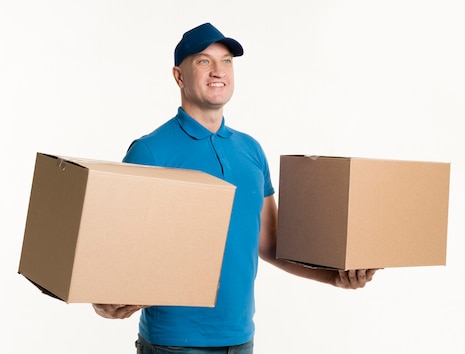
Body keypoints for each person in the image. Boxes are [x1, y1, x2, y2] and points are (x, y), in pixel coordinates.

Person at [92, 22, 377, 353]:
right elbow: (112, 251)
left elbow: (268, 242)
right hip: (173, 343)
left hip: (241, 338)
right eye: (203, 61)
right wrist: (102, 301)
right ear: (179, 76)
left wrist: (333, 276)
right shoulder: (150, 151)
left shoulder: (251, 150)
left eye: (226, 61)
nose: (218, 71)